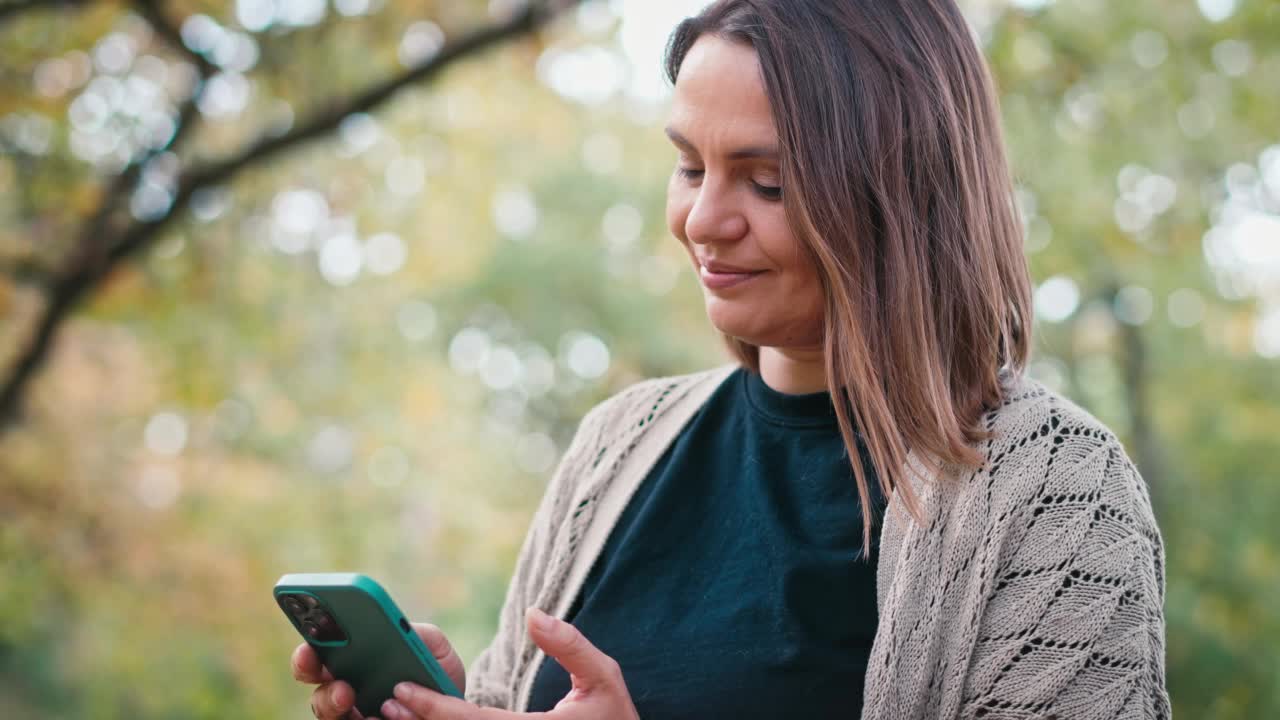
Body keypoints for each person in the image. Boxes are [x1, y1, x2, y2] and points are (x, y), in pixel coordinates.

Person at [293, 1, 1171, 718]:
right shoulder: (616, 446)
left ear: (903, 191)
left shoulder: (1061, 495)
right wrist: (453, 705)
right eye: (687, 166)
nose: (703, 221)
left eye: (768, 182)